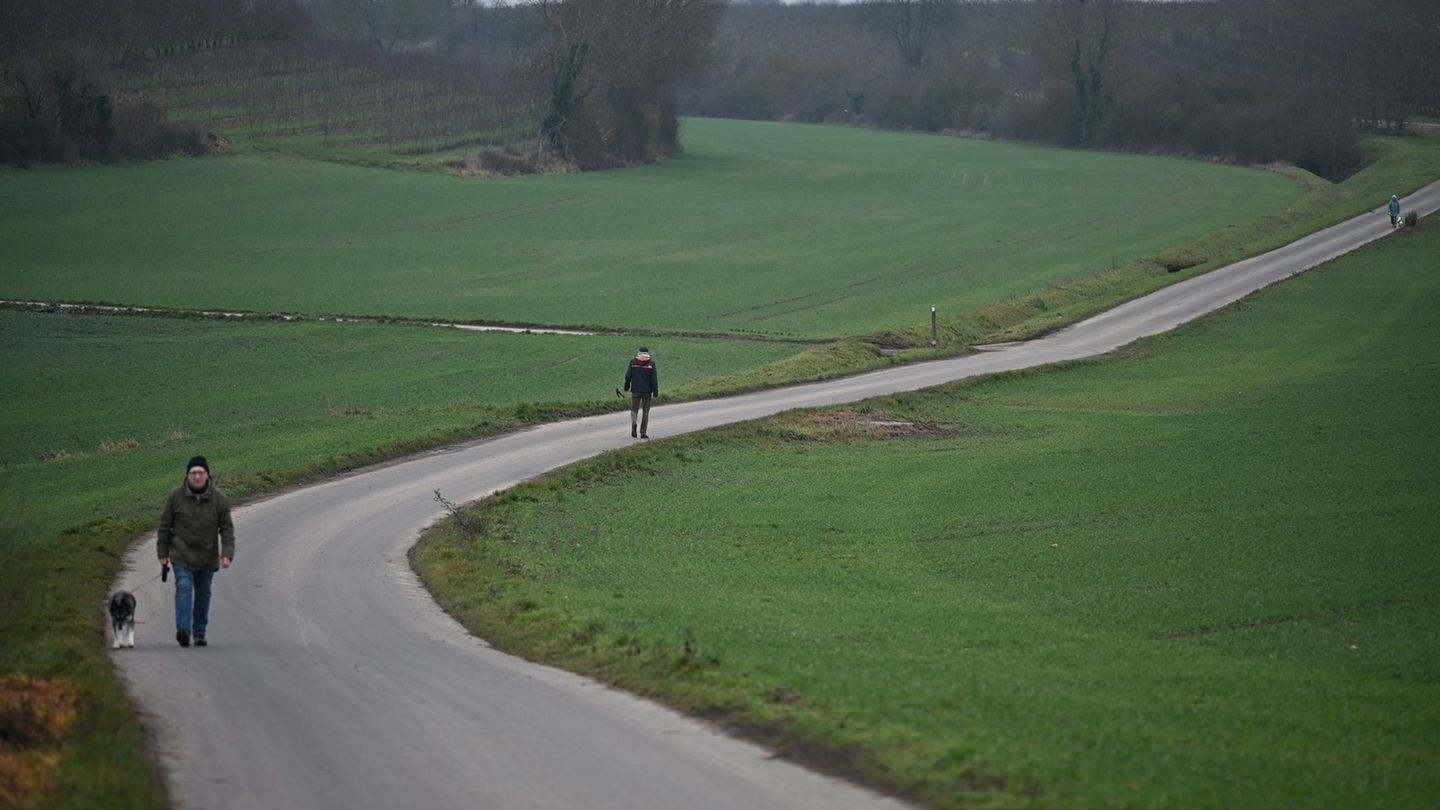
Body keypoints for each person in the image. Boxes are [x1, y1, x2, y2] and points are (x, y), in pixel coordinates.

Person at [157, 456, 234, 648]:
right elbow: (165, 527)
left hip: (207, 556)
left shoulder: (219, 500)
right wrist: (163, 553)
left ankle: (199, 633)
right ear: (187, 475)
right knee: (183, 587)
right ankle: (183, 630)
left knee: (203, 593)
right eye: (193, 473)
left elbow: (226, 529)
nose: (197, 476)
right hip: (181, 554)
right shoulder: (175, 497)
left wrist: (227, 553)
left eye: (201, 473)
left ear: (207, 475)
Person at [623, 346, 659, 439]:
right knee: (645, 412)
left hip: (635, 390)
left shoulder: (633, 362)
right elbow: (654, 379)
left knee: (634, 410)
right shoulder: (651, 363)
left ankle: (634, 426)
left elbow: (628, 376)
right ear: (647, 353)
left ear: (639, 352)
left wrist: (626, 386)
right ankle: (643, 432)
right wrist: (655, 391)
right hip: (647, 391)